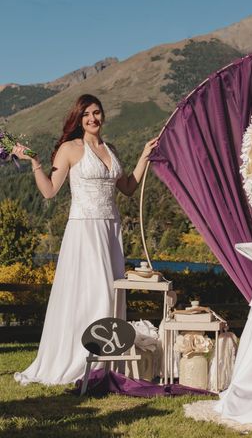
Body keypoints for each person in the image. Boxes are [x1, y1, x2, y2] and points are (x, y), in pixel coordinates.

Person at [12, 94, 158, 385]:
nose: (93, 118)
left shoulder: (111, 149)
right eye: (87, 114)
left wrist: (143, 156)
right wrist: (35, 163)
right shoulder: (70, 149)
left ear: (103, 116)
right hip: (84, 230)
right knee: (92, 293)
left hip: (110, 231)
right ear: (79, 119)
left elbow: (128, 187)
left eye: (97, 112)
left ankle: (108, 358)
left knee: (111, 292)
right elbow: (50, 191)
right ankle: (83, 359)